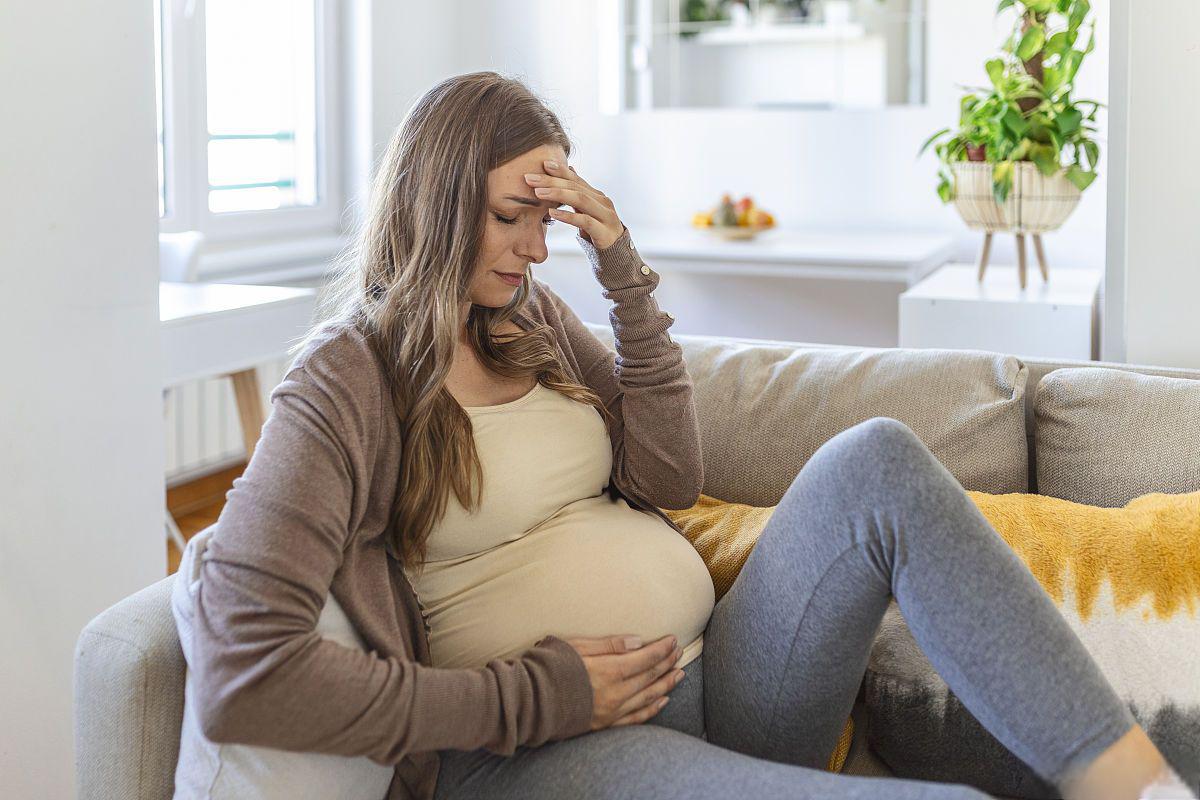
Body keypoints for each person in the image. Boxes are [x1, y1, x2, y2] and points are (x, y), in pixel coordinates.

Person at [184, 71, 1195, 800]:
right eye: (511, 217)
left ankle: (1138, 785)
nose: (539, 248)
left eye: (553, 219)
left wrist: (621, 263)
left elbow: (669, 477)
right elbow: (246, 675)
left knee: (875, 457)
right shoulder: (345, 376)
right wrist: (536, 694)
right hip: (541, 747)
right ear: (434, 198)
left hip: (727, 677)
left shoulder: (525, 317)